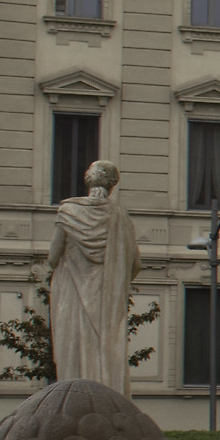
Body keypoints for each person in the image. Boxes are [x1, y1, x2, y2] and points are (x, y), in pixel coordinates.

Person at [46, 159, 143, 391]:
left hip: (71, 294)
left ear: (88, 179)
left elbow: (52, 257)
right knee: (105, 346)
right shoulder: (119, 216)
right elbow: (136, 263)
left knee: (72, 347)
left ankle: (73, 396)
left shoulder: (68, 211)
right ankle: (107, 396)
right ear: (112, 185)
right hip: (106, 299)